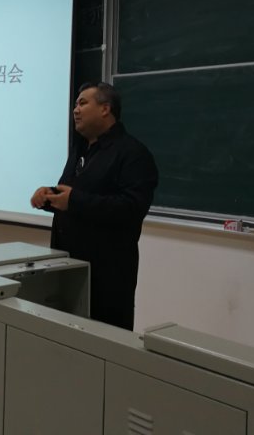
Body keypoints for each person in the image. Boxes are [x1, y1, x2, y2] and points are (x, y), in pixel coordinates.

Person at [30, 82, 158, 330]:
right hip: (67, 268)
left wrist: (73, 200)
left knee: (102, 343)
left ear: (105, 109)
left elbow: (131, 208)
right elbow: (76, 195)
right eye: (75, 104)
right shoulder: (81, 149)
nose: (75, 110)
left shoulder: (133, 154)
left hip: (106, 277)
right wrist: (48, 197)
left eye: (83, 103)